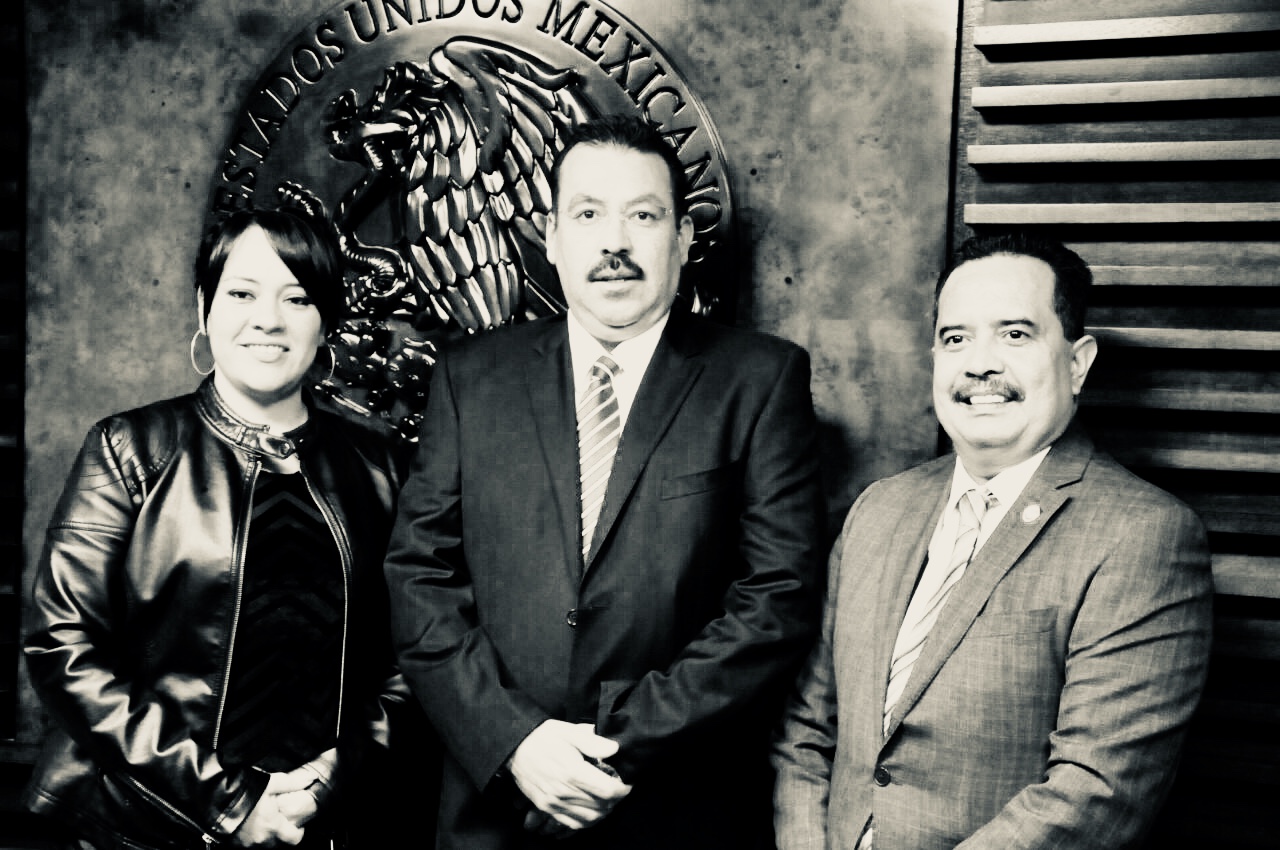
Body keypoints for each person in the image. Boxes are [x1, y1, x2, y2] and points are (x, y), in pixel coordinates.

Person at [383, 114, 825, 850]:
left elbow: (776, 598)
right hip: (493, 809)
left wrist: (607, 749)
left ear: (682, 238)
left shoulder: (760, 381)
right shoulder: (470, 379)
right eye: (588, 214)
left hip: (670, 811)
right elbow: (418, 578)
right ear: (552, 237)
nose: (614, 242)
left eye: (643, 216)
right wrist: (517, 742)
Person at [772, 231, 1214, 850]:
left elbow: (1096, 791)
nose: (980, 364)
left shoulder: (1143, 536)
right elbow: (807, 729)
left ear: (1078, 362)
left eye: (1015, 334)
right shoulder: (877, 510)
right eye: (956, 338)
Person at [24, 200, 411, 849]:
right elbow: (62, 646)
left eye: (297, 298)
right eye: (241, 293)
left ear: (326, 323)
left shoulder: (383, 469)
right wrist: (231, 801)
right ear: (204, 309)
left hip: (321, 826)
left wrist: (329, 779)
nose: (268, 319)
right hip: (144, 826)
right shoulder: (129, 449)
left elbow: (410, 661)